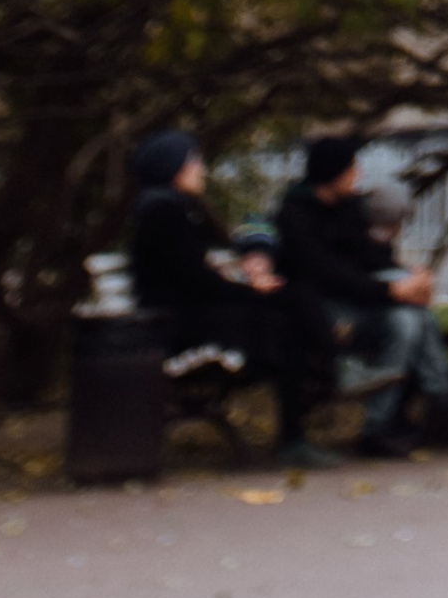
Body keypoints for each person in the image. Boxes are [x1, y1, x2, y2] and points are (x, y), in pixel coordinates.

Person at [127, 132, 318, 459]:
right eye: (193, 162)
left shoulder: (168, 207)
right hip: (176, 326)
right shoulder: (164, 212)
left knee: (288, 306)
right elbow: (195, 280)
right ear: (173, 167)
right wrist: (249, 289)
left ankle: (300, 423)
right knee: (286, 318)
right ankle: (295, 433)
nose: (200, 170)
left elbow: (192, 275)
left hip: (181, 315)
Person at [276, 138, 448, 459]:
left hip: (362, 301)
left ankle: (382, 424)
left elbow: (370, 257)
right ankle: (438, 395)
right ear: (333, 173)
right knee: (409, 318)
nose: (357, 175)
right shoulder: (295, 214)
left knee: (409, 320)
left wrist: (409, 274)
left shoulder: (350, 208)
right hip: (323, 312)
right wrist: (389, 290)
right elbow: (326, 273)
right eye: (351, 169)